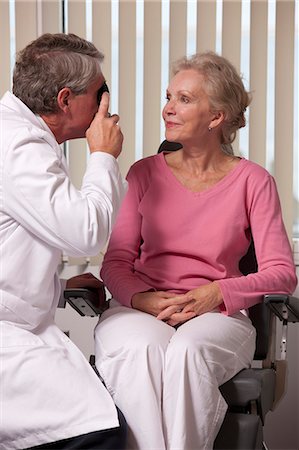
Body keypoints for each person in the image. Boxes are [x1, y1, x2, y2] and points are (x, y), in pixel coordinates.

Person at [94, 51, 297, 449]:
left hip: (217, 313)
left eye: (184, 100)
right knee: (139, 349)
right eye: (168, 97)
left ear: (216, 116)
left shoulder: (254, 182)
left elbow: (281, 273)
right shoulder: (142, 173)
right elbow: (115, 263)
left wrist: (216, 293)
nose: (168, 109)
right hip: (143, 308)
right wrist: (142, 299)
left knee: (188, 352)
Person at [0, 33, 128, 449]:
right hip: (9, 337)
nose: (107, 104)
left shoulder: (23, 137)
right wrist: (103, 155)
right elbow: (84, 233)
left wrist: (58, 288)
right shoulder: (16, 147)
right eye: (101, 93)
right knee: (98, 433)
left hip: (18, 325)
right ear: (65, 99)